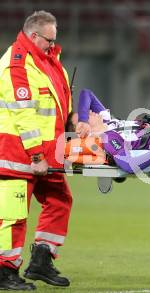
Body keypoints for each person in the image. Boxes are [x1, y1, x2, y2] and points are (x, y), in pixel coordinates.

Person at [0, 11, 72, 290]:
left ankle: (41, 260)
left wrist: (73, 118)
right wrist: (37, 156)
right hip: (18, 154)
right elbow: (24, 116)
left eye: (55, 40)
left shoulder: (46, 61)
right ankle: (5, 272)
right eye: (48, 40)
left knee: (60, 200)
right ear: (33, 35)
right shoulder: (17, 65)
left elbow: (59, 101)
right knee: (14, 214)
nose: (53, 45)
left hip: (45, 153)